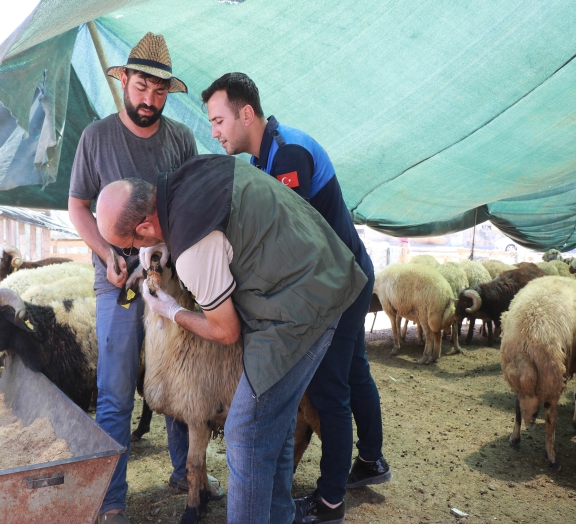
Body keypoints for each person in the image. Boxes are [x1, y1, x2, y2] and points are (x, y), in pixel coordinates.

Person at [95, 154, 368, 524]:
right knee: (280, 425)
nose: (132, 255)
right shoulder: (195, 172)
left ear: (144, 228)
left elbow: (226, 331)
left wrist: (173, 311)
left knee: (245, 434)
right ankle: (280, 517)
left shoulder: (192, 247)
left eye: (127, 247)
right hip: (325, 272)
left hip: (303, 304)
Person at [201, 72, 391, 524]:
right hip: (343, 272)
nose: (214, 131)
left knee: (330, 388)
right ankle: (372, 461)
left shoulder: (287, 154)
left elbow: (292, 243)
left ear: (246, 113)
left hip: (337, 282)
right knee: (353, 372)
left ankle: (329, 502)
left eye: (218, 119)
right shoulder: (264, 160)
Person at [68, 33, 217, 524]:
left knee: (180, 375)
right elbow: (77, 206)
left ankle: (185, 471)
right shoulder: (96, 137)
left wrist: (160, 259)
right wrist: (109, 252)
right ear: (125, 81)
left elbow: (190, 208)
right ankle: (112, 500)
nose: (148, 100)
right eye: (140, 88)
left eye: (158, 92)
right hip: (118, 283)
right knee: (114, 390)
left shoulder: (180, 140)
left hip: (170, 279)